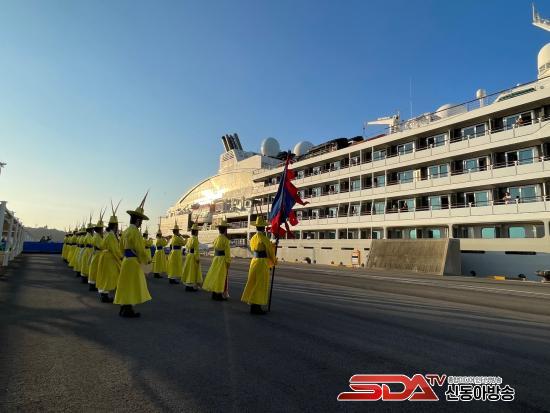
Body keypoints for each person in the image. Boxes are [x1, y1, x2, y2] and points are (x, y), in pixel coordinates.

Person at [114, 193, 152, 318]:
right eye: (141, 221)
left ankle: (124, 307)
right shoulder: (135, 232)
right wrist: (147, 261)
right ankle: (128, 309)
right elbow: (140, 250)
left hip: (126, 260)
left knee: (125, 284)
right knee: (132, 285)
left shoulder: (125, 232)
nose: (141, 224)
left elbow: (120, 248)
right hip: (133, 263)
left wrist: (124, 256)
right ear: (138, 220)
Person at [241, 216, 276, 315]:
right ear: (263, 228)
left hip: (254, 261)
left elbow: (256, 248)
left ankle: (253, 305)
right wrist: (273, 261)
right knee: (260, 284)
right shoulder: (264, 238)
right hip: (262, 262)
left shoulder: (253, 238)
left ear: (256, 227)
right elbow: (269, 252)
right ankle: (257, 306)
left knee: (253, 282)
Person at [96, 201, 123, 303]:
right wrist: (121, 256)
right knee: (109, 276)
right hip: (109, 258)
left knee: (105, 275)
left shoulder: (107, 234)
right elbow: (114, 249)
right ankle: (105, 296)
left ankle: (104, 294)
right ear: (115, 226)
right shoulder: (111, 236)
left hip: (105, 256)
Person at [202, 219, 231, 301]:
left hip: (216, 258)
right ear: (225, 230)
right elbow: (227, 252)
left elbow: (215, 249)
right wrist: (228, 262)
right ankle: (219, 294)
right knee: (221, 277)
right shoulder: (226, 240)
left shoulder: (216, 239)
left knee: (215, 275)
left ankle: (214, 293)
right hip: (222, 259)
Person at [88, 210, 106, 292]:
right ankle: (93, 285)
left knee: (94, 269)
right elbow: (102, 246)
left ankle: (92, 284)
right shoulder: (98, 237)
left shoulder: (96, 236)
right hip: (98, 254)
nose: (103, 230)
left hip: (96, 253)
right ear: (99, 229)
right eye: (102, 229)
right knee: (96, 269)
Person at [181, 223, 202, 291]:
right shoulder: (195, 239)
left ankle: (188, 285)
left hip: (189, 255)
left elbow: (187, 247)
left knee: (188, 270)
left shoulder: (189, 239)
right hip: (193, 256)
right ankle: (190, 286)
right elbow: (196, 250)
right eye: (197, 231)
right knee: (192, 271)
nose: (198, 232)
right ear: (196, 232)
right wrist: (197, 258)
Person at [166, 220, 185, 284]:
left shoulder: (173, 237)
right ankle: (172, 279)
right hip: (176, 253)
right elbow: (183, 243)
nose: (179, 232)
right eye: (178, 231)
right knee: (175, 265)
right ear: (176, 231)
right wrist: (183, 237)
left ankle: (171, 278)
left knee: (172, 265)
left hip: (173, 252)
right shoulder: (177, 238)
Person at [80, 219, 95, 285]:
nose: (93, 231)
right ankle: (85, 278)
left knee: (85, 264)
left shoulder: (88, 235)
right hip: (89, 251)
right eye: (92, 229)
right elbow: (91, 243)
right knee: (87, 264)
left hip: (87, 250)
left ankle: (84, 277)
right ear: (90, 230)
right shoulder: (89, 236)